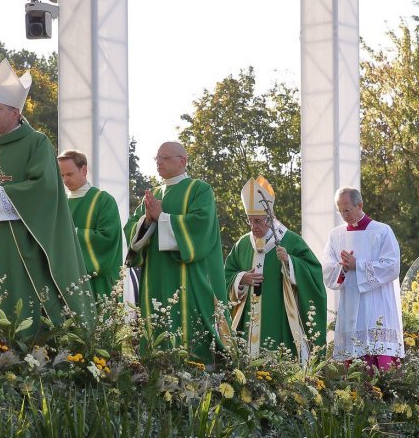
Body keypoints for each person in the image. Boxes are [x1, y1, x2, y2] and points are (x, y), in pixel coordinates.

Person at [0, 59, 92, 330]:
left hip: (21, 241)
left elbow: (44, 188)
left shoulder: (37, 143)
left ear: (15, 112)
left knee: (18, 306)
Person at [125, 142, 228, 365]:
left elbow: (200, 226)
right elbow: (131, 228)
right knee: (155, 333)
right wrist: (147, 220)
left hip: (186, 277)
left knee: (187, 336)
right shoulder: (152, 195)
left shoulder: (199, 189)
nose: (159, 162)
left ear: (182, 161)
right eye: (157, 158)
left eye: (164, 157)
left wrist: (162, 217)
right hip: (154, 277)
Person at [223, 177, 326, 364]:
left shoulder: (290, 240)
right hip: (248, 317)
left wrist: (290, 263)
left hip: (281, 317)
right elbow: (226, 275)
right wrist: (241, 279)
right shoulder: (243, 244)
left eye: (258, 221)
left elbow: (314, 273)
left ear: (270, 218)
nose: (254, 227)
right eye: (250, 221)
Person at [321, 187, 404, 369]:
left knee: (378, 358)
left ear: (360, 205)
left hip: (377, 304)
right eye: (340, 210)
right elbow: (327, 268)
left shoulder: (382, 231)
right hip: (350, 303)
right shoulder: (336, 235)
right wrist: (342, 269)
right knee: (353, 364)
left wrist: (357, 265)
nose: (343, 215)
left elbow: (392, 266)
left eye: (347, 210)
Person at [59, 149, 123, 299]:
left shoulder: (103, 200)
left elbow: (108, 238)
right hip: (67, 279)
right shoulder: (60, 202)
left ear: (84, 170)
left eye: (69, 174)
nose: (65, 180)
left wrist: (70, 234)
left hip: (97, 281)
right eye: (62, 175)